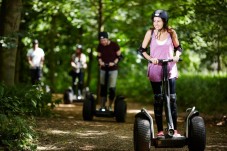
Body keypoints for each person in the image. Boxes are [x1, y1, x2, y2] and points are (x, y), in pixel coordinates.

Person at [139, 10, 183, 137]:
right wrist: (150, 58)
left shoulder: (171, 32)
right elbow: (142, 50)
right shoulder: (150, 32)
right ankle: (159, 130)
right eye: (154, 21)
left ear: (164, 21)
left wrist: (176, 56)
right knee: (158, 99)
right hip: (155, 67)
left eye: (158, 21)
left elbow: (178, 47)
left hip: (170, 67)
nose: (156, 23)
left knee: (172, 99)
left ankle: (174, 130)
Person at [97, 32, 122, 111]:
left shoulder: (114, 45)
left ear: (107, 39)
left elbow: (120, 56)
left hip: (113, 69)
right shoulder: (100, 46)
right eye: (101, 41)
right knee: (103, 88)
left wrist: (114, 63)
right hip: (103, 69)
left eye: (104, 40)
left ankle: (110, 106)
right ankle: (102, 106)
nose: (103, 42)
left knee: (111, 89)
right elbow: (98, 56)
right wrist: (100, 62)